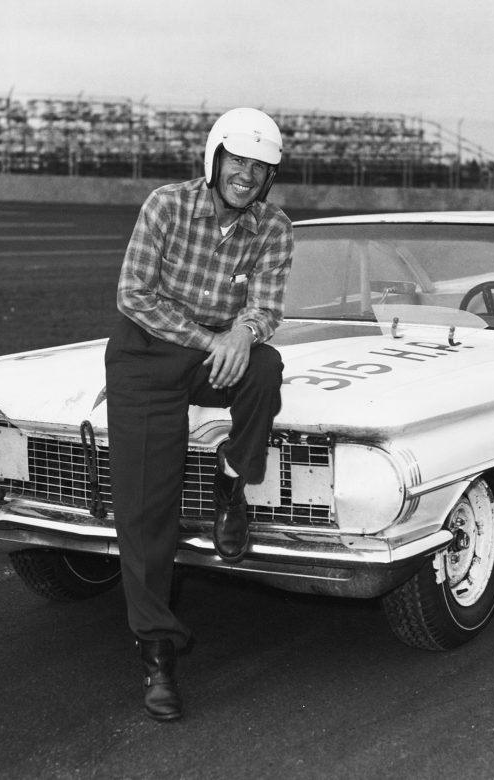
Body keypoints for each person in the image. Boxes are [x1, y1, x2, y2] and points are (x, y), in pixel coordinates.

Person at [104, 107, 293, 722]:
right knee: (145, 509)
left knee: (265, 369)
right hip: (149, 351)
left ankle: (232, 483)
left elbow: (266, 307)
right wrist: (211, 340)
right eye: (238, 161)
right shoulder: (165, 204)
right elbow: (133, 294)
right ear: (215, 160)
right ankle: (158, 652)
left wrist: (242, 332)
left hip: (218, 351)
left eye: (260, 168)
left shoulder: (274, 227)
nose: (247, 174)